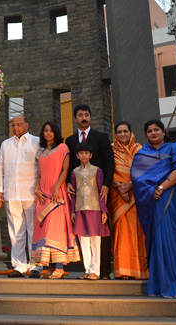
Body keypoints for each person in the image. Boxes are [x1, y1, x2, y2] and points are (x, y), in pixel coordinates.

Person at [131, 119, 176, 298]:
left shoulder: (173, 148)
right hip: (153, 202)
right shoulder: (141, 154)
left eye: (157, 129)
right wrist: (152, 190)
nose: (154, 133)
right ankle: (160, 287)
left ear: (164, 132)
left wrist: (162, 186)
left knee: (173, 241)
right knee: (159, 242)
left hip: (171, 199)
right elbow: (137, 178)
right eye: (150, 131)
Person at [65, 104, 114, 279]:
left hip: (99, 194)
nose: (84, 117)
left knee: (98, 236)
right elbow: (67, 166)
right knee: (83, 237)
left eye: (86, 114)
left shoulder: (101, 137)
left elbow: (109, 162)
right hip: (78, 200)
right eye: (80, 115)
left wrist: (107, 184)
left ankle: (101, 271)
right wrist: (66, 184)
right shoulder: (70, 141)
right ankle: (88, 270)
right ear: (75, 118)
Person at [0, 115, 42, 278]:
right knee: (16, 231)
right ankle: (19, 266)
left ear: (26, 125)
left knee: (34, 231)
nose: (15, 128)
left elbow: (43, 167)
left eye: (19, 125)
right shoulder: (6, 144)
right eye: (13, 125)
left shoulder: (36, 142)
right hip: (12, 193)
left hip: (31, 194)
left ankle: (36, 266)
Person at [31, 121, 80, 279]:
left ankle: (60, 267)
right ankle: (52, 267)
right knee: (44, 231)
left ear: (56, 133)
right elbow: (39, 174)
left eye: (51, 131)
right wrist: (37, 189)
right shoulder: (41, 152)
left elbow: (65, 170)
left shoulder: (62, 148)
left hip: (56, 194)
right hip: (42, 195)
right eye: (45, 131)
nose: (48, 133)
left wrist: (56, 188)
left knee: (55, 230)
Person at [109, 121, 148, 280]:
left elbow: (145, 170)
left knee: (137, 232)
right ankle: (123, 270)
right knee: (122, 233)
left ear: (131, 133)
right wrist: (119, 187)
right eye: (119, 132)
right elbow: (108, 170)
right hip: (118, 197)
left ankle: (141, 270)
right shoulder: (111, 150)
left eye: (125, 131)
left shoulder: (140, 150)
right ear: (116, 135)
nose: (122, 134)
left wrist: (130, 186)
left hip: (137, 196)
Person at [70, 143, 109, 280]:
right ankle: (87, 269)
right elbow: (73, 193)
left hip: (95, 209)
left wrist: (104, 211)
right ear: (77, 155)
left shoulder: (97, 171)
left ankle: (95, 271)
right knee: (83, 240)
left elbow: (101, 192)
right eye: (81, 153)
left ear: (91, 155)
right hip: (80, 209)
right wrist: (73, 211)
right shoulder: (74, 172)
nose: (84, 155)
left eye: (86, 153)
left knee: (95, 240)